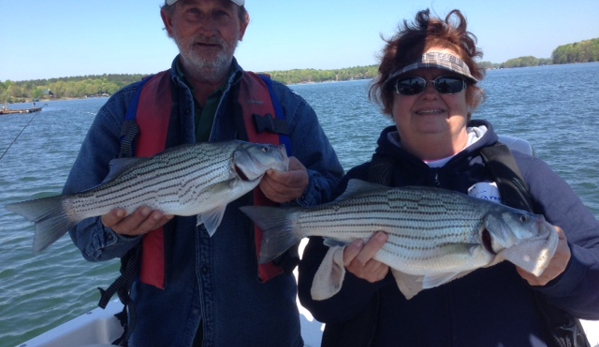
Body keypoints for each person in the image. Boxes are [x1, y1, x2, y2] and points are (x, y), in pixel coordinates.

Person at [298, 9, 599, 347]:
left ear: (470, 97)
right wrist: (356, 280)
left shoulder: (524, 174)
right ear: (389, 100)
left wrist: (565, 272)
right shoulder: (362, 182)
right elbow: (318, 304)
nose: (430, 93)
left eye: (448, 82)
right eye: (410, 83)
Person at [63, 0, 343, 346]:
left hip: (265, 330)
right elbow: (88, 241)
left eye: (222, 12)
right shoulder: (122, 111)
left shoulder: (289, 108)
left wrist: (305, 187)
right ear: (168, 21)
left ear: (243, 24)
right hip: (158, 330)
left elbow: (339, 197)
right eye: (193, 11)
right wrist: (115, 230)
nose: (208, 27)